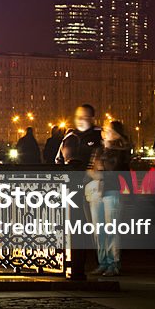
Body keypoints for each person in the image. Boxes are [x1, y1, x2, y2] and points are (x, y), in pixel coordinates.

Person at [56, 104, 103, 280]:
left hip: (91, 188)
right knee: (72, 226)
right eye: (78, 116)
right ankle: (75, 265)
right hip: (70, 188)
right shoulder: (69, 136)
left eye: (85, 117)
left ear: (92, 118)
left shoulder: (99, 136)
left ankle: (93, 263)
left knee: (88, 228)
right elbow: (58, 160)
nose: (81, 120)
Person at [87, 120, 133, 276]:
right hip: (96, 191)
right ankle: (103, 262)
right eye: (105, 129)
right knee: (98, 230)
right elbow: (91, 169)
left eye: (109, 130)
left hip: (112, 190)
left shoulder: (121, 150)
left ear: (117, 133)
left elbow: (117, 169)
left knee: (111, 228)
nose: (104, 132)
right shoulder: (99, 149)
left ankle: (114, 262)